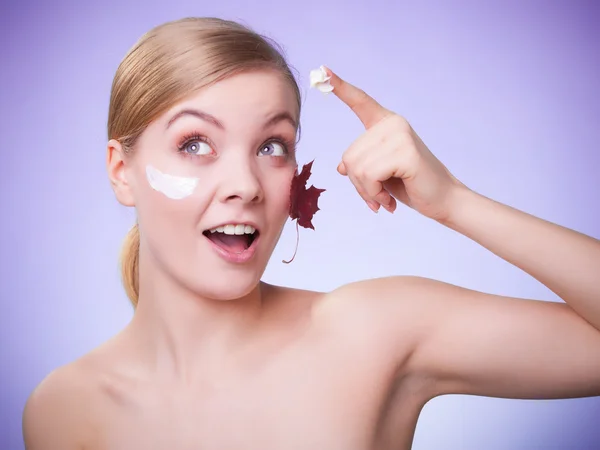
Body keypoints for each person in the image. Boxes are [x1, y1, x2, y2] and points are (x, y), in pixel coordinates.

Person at [22, 16, 600, 450]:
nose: (245, 184)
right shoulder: (64, 409)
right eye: (195, 144)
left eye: (272, 146)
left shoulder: (372, 333)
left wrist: (453, 202)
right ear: (122, 171)